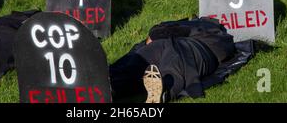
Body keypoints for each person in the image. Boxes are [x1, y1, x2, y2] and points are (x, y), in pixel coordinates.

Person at [109, 18, 254, 103]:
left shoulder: (211, 32)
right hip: (165, 44)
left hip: (195, 49)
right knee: (137, 60)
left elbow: (158, 32)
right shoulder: (191, 25)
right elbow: (158, 33)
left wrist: (155, 35)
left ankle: (163, 92)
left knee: (174, 62)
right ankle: (111, 86)